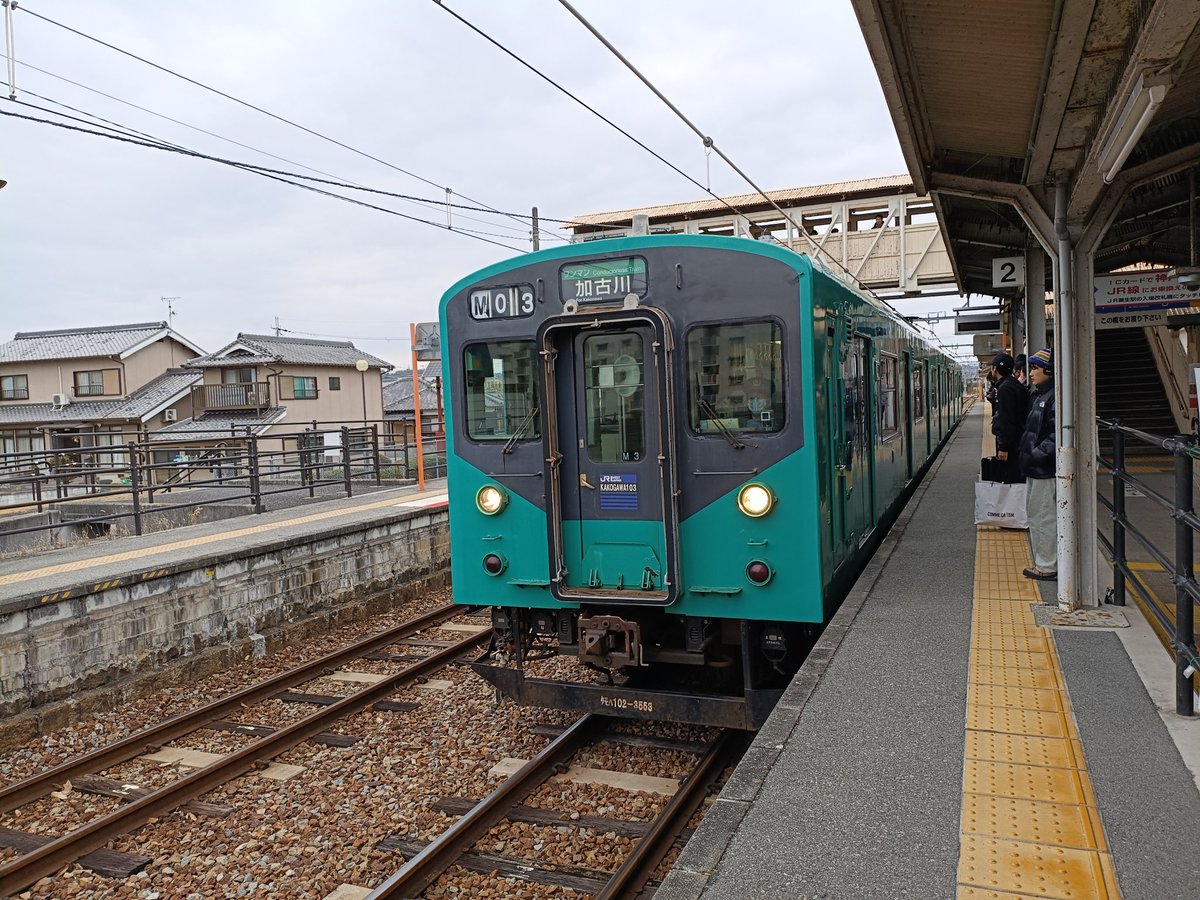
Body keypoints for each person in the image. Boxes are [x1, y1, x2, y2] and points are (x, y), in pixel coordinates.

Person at [1019, 348, 1056, 579]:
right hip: (1037, 468)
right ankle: (1044, 562)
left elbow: (1055, 436)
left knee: (1043, 517)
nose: (1031, 373)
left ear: (1049, 370)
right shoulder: (1042, 394)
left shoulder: (1052, 396)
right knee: (1037, 515)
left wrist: (1035, 454)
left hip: (1044, 469)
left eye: (1035, 368)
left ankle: (1047, 566)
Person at [989, 351, 1029, 483]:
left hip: (1012, 445)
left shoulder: (1005, 388)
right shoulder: (1013, 385)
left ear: (995, 368)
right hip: (1019, 441)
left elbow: (1007, 419)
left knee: (1010, 479)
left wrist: (1003, 447)